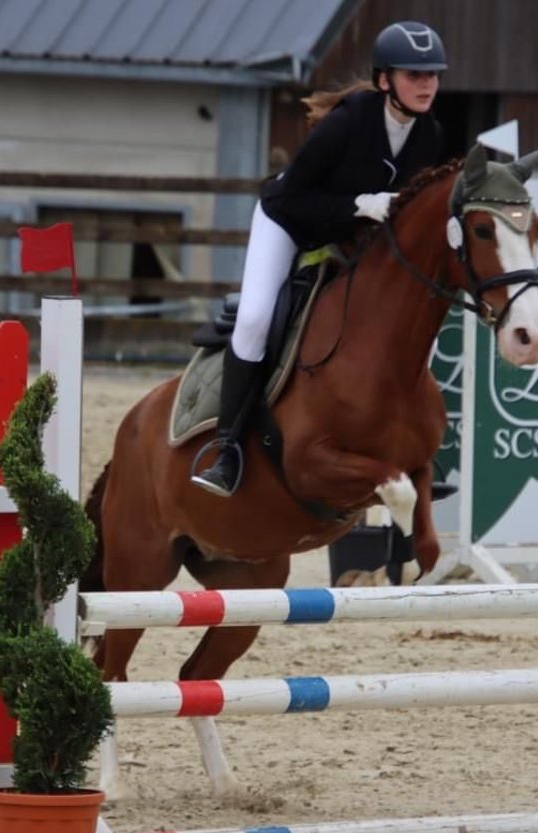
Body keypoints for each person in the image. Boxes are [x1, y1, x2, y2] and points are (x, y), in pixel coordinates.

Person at [192, 21, 448, 497]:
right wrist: (358, 204)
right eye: (414, 74)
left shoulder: (429, 134)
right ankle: (227, 449)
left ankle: (409, 450)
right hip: (289, 222)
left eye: (432, 74)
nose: (427, 83)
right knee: (252, 320)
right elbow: (291, 200)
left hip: (355, 237)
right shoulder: (346, 125)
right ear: (385, 80)